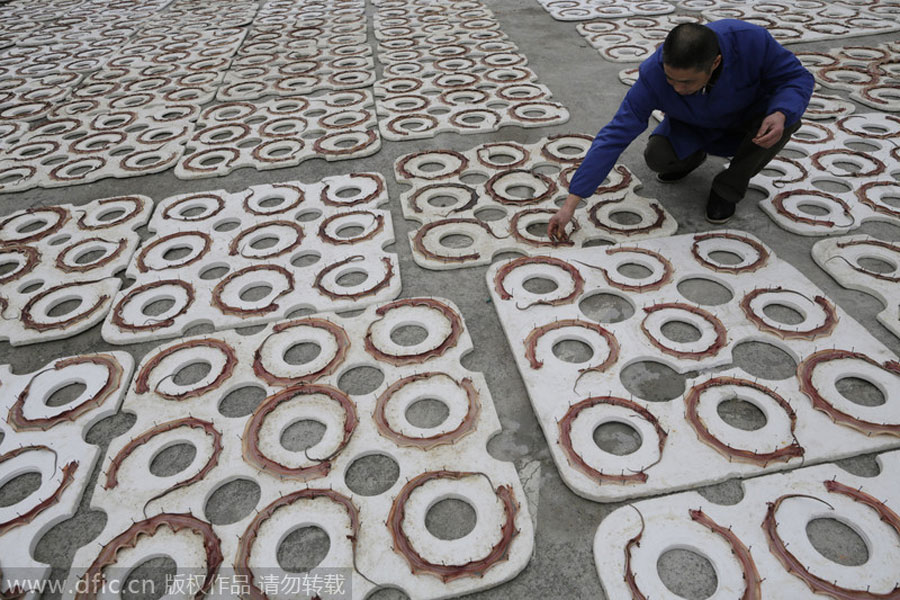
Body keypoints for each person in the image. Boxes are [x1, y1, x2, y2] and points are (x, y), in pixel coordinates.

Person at [548, 20, 815, 237]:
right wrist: (571, 202)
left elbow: (796, 77)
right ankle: (690, 157)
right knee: (658, 157)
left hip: (743, 126)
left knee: (788, 118)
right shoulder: (653, 74)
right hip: (693, 126)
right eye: (670, 80)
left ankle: (727, 190)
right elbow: (615, 134)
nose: (677, 88)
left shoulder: (750, 41)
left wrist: (781, 111)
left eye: (687, 82)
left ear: (715, 63)